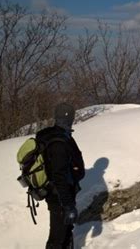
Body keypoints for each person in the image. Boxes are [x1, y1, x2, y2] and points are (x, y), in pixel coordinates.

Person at [36, 102, 85, 249]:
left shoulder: (62, 135)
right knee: (57, 238)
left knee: (66, 233)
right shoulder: (59, 142)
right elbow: (58, 176)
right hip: (59, 197)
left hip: (62, 194)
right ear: (68, 117)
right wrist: (68, 205)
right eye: (71, 116)